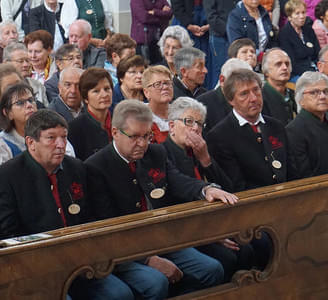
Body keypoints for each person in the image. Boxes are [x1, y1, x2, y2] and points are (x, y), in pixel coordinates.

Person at [85, 99, 237, 298]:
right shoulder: (96, 167)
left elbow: (178, 181)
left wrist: (206, 189)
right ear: (115, 132)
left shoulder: (155, 152)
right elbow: (107, 226)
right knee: (155, 282)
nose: (142, 143)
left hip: (161, 238)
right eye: (135, 137)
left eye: (147, 136)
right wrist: (148, 259)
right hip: (123, 251)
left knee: (212, 269)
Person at [0, 109, 135, 300]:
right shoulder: (8, 176)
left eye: (64, 137)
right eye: (51, 138)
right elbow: (9, 234)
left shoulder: (77, 168)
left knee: (120, 294)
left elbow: (91, 216)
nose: (61, 145)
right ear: (31, 143)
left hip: (82, 261)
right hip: (36, 268)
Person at [164, 96, 254, 282]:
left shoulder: (199, 150)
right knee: (226, 258)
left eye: (199, 124)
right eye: (188, 121)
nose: (195, 128)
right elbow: (180, 196)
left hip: (215, 222)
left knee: (247, 248)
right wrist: (212, 235)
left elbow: (228, 188)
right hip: (187, 230)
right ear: (172, 126)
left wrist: (206, 159)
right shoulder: (163, 153)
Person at [207, 69, 291, 192]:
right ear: (231, 100)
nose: (253, 98)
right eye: (244, 93)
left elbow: (292, 169)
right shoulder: (220, 136)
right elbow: (235, 185)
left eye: (256, 90)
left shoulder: (276, 126)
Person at [286, 71, 328, 178]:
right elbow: (303, 174)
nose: (322, 96)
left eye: (326, 91)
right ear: (300, 99)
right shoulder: (294, 130)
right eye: (314, 92)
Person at [197, 58, 253, 135]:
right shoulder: (202, 104)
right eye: (238, 82)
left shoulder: (253, 100)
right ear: (222, 80)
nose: (244, 87)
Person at [68, 67, 113, 160]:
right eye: (96, 91)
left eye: (107, 89)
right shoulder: (74, 129)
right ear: (85, 98)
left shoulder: (122, 121)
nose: (104, 95)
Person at [278, 0, 320, 82]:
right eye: (297, 13)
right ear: (289, 17)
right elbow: (291, 63)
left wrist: (319, 68)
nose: (302, 16)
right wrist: (311, 73)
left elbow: (318, 53)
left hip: (315, 70)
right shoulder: (284, 34)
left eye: (303, 12)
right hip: (297, 74)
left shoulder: (308, 29)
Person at [203, 0, 237, 88]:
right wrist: (230, 30)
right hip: (220, 36)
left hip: (237, 36)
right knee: (221, 72)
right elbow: (211, 16)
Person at [3, 42, 49, 107]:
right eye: (20, 61)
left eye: (27, 60)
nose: (26, 65)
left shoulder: (37, 85)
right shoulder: (2, 87)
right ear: (6, 63)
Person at [261, 48, 297, 125]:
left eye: (287, 64)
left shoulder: (296, 95)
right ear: (265, 71)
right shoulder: (260, 98)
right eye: (278, 64)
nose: (284, 68)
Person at [130, 0, 172, 65]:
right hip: (142, 41)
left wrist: (155, 12)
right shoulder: (136, 1)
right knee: (144, 67)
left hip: (158, 40)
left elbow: (170, 13)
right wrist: (162, 15)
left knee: (160, 67)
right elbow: (144, 17)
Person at [142, 65, 173, 144]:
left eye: (167, 83)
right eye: (158, 84)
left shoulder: (181, 113)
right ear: (146, 92)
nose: (165, 87)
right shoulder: (140, 116)